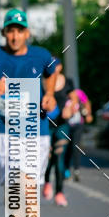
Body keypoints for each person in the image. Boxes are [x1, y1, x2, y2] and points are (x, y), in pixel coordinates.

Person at [0, 8, 58, 190]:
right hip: (3, 133)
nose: (15, 37)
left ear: (27, 33)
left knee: (28, 192)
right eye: (10, 31)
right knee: (15, 191)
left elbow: (51, 71)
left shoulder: (41, 55)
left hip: (35, 131)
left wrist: (50, 94)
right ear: (3, 33)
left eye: (20, 31)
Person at [43, 70, 75, 206]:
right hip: (45, 125)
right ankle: (47, 182)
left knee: (59, 157)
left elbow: (74, 99)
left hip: (62, 125)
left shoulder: (67, 81)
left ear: (60, 67)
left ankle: (59, 193)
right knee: (48, 157)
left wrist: (70, 108)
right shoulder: (41, 81)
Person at [64, 85, 92, 181]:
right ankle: (66, 170)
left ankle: (76, 171)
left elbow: (87, 102)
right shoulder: (64, 95)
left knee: (75, 147)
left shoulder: (79, 93)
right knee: (67, 148)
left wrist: (88, 114)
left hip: (78, 125)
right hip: (67, 125)